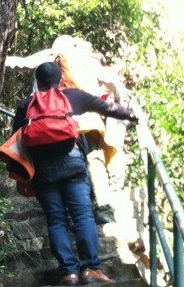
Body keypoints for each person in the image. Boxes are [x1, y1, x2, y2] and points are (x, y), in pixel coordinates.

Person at [12, 62, 137, 286]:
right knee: (82, 215)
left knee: (56, 220)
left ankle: (68, 271)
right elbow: (107, 108)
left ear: (38, 82)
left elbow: (16, 143)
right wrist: (131, 114)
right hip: (72, 163)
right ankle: (90, 269)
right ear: (60, 80)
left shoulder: (26, 105)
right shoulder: (72, 96)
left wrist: (21, 177)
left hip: (42, 171)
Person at [7, 34, 132, 223]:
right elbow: (111, 81)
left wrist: (4, 60)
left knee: (61, 166)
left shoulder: (49, 59)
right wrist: (123, 101)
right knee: (92, 161)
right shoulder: (86, 59)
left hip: (53, 126)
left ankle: (69, 210)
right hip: (87, 122)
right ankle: (101, 209)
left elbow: (24, 64)